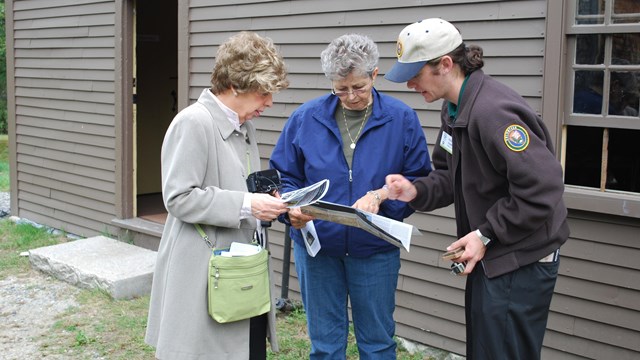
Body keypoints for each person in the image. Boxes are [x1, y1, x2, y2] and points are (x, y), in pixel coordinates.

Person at [384, 18, 570, 359]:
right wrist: (415, 190)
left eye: (415, 73)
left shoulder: (493, 112)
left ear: (445, 64)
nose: (409, 83)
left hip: (521, 260)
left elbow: (542, 189)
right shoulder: (454, 109)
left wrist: (484, 233)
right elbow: (447, 174)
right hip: (494, 253)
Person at [269, 34, 432, 359]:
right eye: (340, 89)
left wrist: (384, 202)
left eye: (358, 87)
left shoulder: (401, 120)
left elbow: (419, 180)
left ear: (374, 74)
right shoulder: (306, 118)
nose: (350, 96)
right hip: (318, 252)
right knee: (326, 345)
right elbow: (283, 175)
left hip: (375, 250)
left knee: (377, 343)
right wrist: (291, 211)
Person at [144, 31, 289, 360]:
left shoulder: (244, 123)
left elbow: (239, 181)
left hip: (241, 271)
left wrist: (267, 197)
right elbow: (179, 197)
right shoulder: (193, 123)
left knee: (249, 350)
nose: (268, 103)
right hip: (202, 271)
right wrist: (247, 204)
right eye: (263, 93)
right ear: (237, 85)